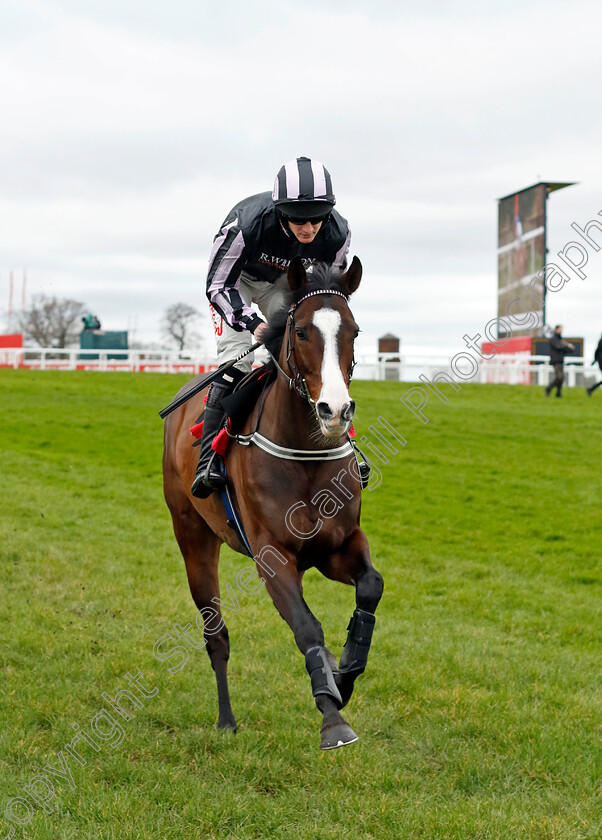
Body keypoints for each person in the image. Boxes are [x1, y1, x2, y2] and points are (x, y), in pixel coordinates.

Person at [191, 156, 351, 498]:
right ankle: (208, 460)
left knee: (305, 358)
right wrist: (254, 324)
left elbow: (329, 291)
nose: (308, 229)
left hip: (285, 284)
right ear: (281, 212)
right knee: (237, 363)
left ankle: (345, 445)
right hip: (238, 284)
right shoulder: (245, 225)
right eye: (298, 220)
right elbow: (218, 286)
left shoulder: (338, 233)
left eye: (317, 220)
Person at [545, 325, 574, 398]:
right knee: (560, 377)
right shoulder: (554, 339)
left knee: (561, 378)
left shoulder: (560, 340)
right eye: (560, 329)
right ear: (556, 329)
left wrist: (570, 348)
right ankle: (548, 388)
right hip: (556, 361)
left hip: (560, 361)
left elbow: (566, 350)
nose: (561, 330)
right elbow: (558, 347)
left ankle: (558, 393)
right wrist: (567, 345)